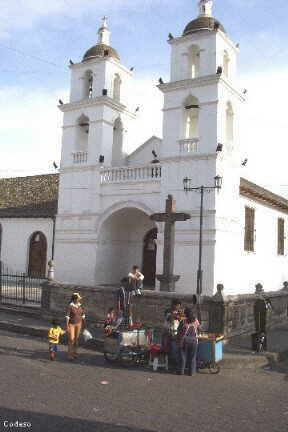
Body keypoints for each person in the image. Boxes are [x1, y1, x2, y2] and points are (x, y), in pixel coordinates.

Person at [177, 308, 199, 376]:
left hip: (185, 341)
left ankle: (181, 371)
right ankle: (191, 372)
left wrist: (178, 339)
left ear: (186, 314)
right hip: (194, 341)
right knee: (192, 357)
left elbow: (179, 331)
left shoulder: (183, 321)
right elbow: (198, 328)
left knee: (183, 356)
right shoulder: (196, 321)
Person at [65, 292, 85, 360]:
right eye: (78, 299)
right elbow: (67, 317)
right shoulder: (70, 306)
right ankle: (70, 354)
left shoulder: (80, 305)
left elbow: (83, 315)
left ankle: (75, 353)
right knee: (71, 339)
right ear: (74, 299)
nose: (79, 300)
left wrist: (84, 324)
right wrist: (67, 326)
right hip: (71, 324)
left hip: (79, 323)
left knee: (76, 339)